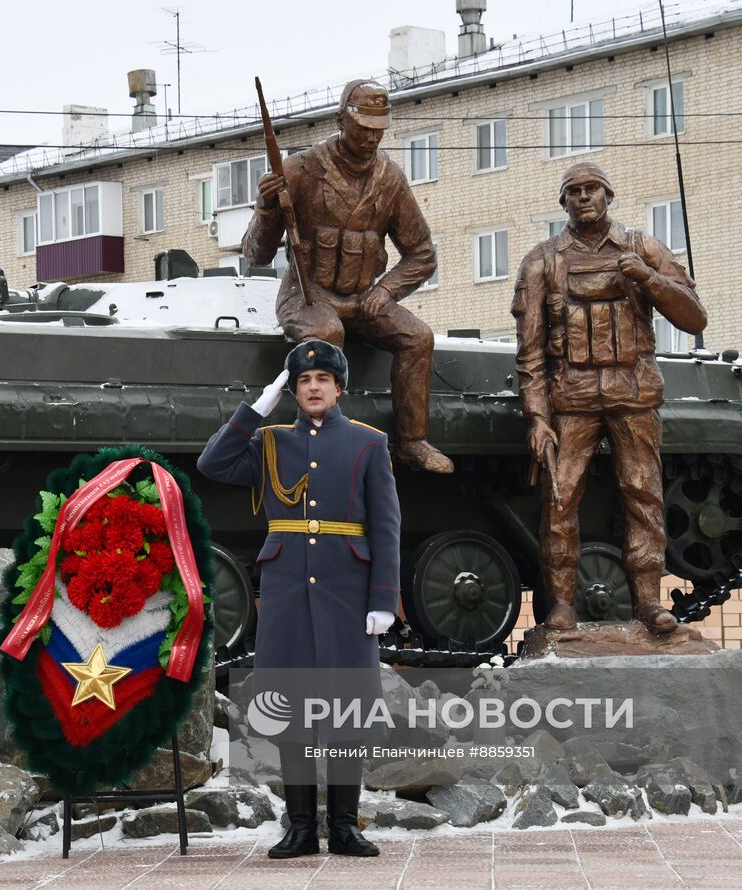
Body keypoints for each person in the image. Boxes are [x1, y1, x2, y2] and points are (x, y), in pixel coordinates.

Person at [198, 340, 400, 858]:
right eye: (303, 381)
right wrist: (255, 409)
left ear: (338, 389)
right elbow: (213, 462)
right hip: (288, 592)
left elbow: (386, 526)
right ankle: (302, 827)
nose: (313, 388)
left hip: (347, 594)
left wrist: (383, 597)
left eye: (322, 381)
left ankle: (347, 825)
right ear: (293, 389)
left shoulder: (367, 443)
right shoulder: (269, 442)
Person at [512, 162, 707, 635]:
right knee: (560, 500)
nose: (583, 198)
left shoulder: (644, 249)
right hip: (571, 399)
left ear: (609, 195)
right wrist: (537, 418)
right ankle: (561, 605)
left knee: (643, 494)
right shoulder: (542, 261)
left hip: (633, 394)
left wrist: (650, 280)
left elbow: (695, 319)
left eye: (592, 189)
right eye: (573, 191)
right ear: (563, 202)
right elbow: (531, 351)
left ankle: (649, 601)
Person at [243, 79, 452, 475]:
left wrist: (386, 291)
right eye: (363, 127)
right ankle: (324, 436)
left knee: (418, 337)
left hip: (361, 298)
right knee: (328, 332)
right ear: (341, 119)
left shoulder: (389, 179)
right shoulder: (302, 170)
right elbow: (256, 254)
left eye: (379, 128)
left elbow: (422, 253)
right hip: (307, 296)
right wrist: (267, 209)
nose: (372, 136)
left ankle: (412, 442)